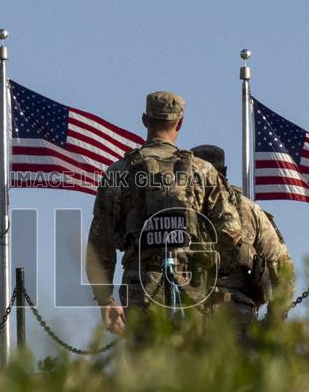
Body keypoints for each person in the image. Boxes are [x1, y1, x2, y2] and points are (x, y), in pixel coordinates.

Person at [85, 91, 245, 335]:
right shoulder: (202, 171)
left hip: (140, 290)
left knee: (146, 357)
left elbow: (100, 244)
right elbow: (231, 233)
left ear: (145, 120)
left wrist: (105, 301)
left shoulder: (119, 172)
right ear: (179, 123)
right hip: (193, 289)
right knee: (190, 357)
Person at [191, 144, 295, 327]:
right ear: (224, 172)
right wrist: (272, 323)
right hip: (227, 318)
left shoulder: (178, 209)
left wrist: (272, 321)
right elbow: (283, 272)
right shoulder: (250, 210)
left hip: (197, 318)